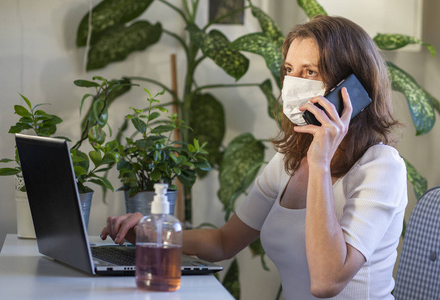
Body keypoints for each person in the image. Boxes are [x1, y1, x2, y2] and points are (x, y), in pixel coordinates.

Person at [101, 15, 407, 299]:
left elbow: (327, 281)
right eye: (289, 70)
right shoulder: (287, 162)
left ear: (349, 90)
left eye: (310, 71)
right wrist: (151, 232)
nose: (293, 84)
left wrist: (320, 162)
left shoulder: (381, 167)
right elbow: (223, 242)